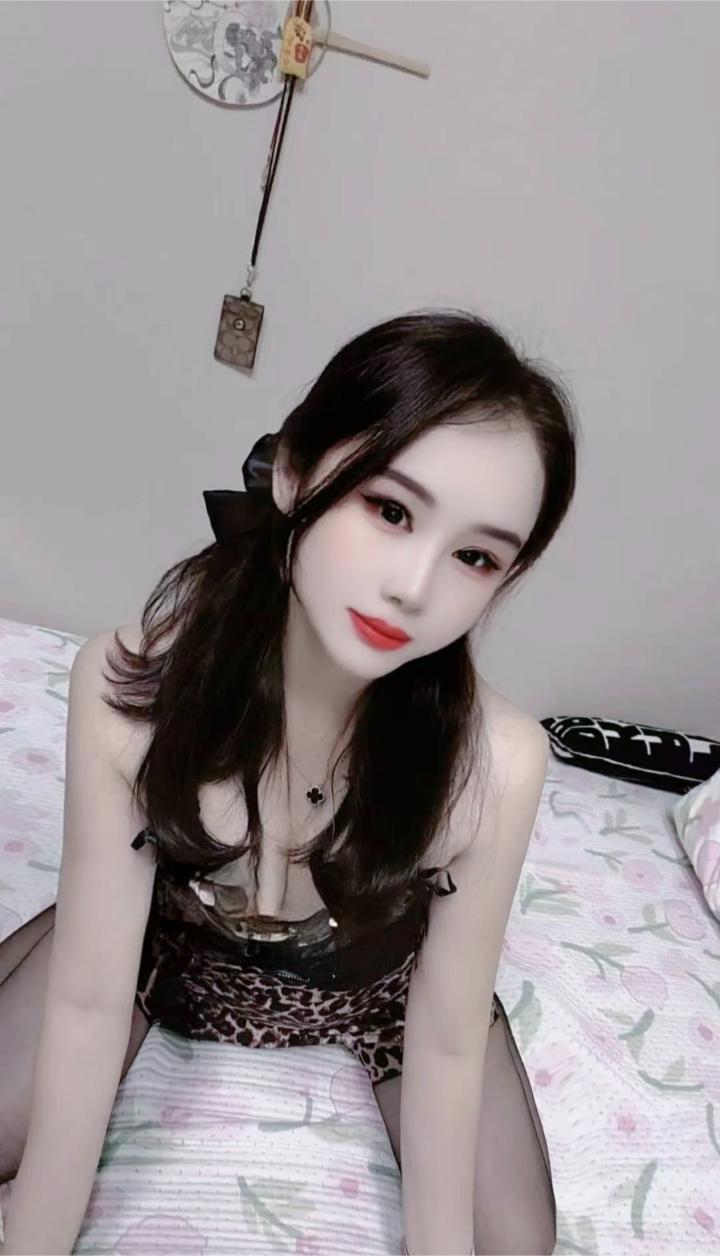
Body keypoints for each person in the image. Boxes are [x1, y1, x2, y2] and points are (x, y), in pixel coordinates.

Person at [0, 308, 578, 1255]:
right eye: (389, 510)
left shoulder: (499, 765)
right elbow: (88, 1000)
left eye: (475, 556)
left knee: (509, 1242)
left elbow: (444, 1040)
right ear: (296, 471)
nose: (414, 586)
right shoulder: (130, 691)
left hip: (374, 991)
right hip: (168, 951)